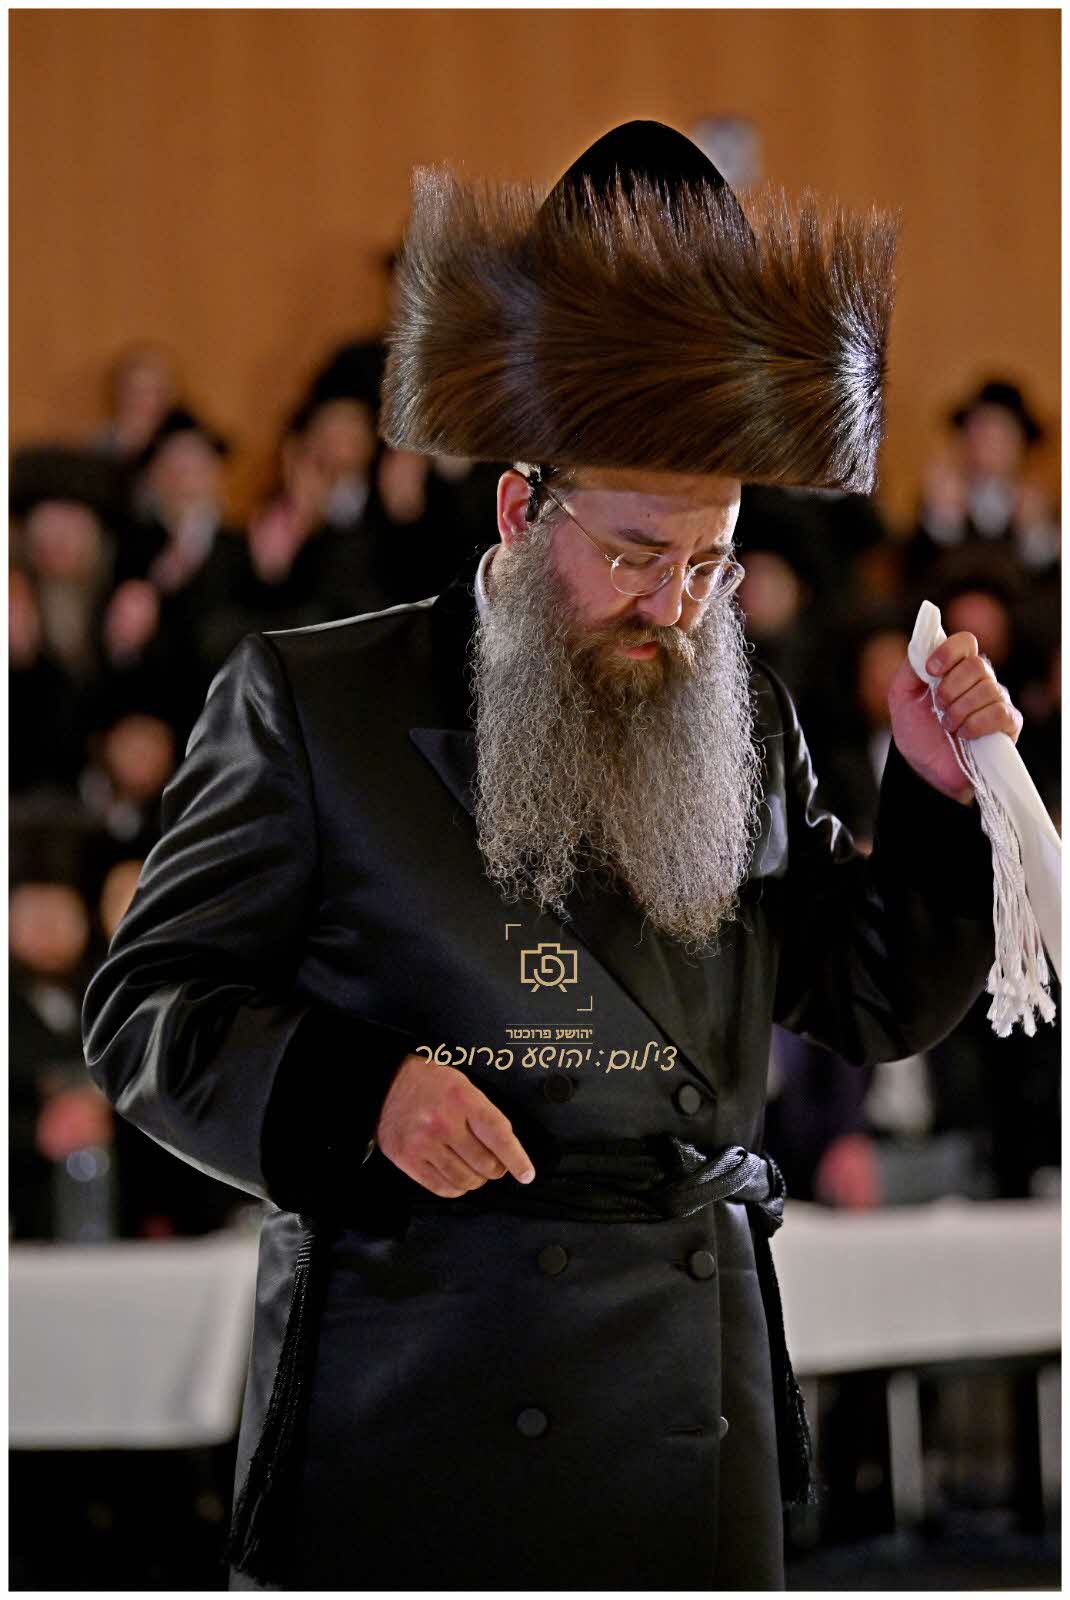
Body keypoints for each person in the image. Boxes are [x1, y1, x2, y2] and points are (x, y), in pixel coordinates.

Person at [81, 121, 1021, 1591]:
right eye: (637, 554)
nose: (677, 607)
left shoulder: (744, 713)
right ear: (524, 508)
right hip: (415, 1393)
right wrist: (358, 1094)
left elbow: (872, 993)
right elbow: (148, 1011)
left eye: (708, 562)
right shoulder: (315, 703)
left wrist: (935, 791)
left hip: (687, 1404)